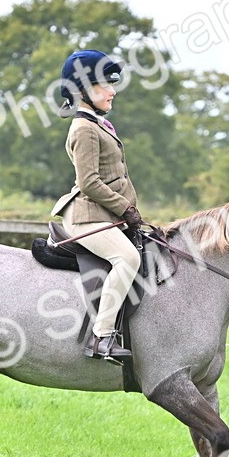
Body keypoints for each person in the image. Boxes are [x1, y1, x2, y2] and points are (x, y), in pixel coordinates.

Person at [51, 49, 146, 362]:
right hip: (85, 217)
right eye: (105, 85)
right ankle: (100, 336)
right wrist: (126, 209)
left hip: (102, 214)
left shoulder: (99, 124)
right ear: (82, 90)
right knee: (128, 258)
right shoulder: (83, 129)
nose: (113, 90)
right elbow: (90, 182)